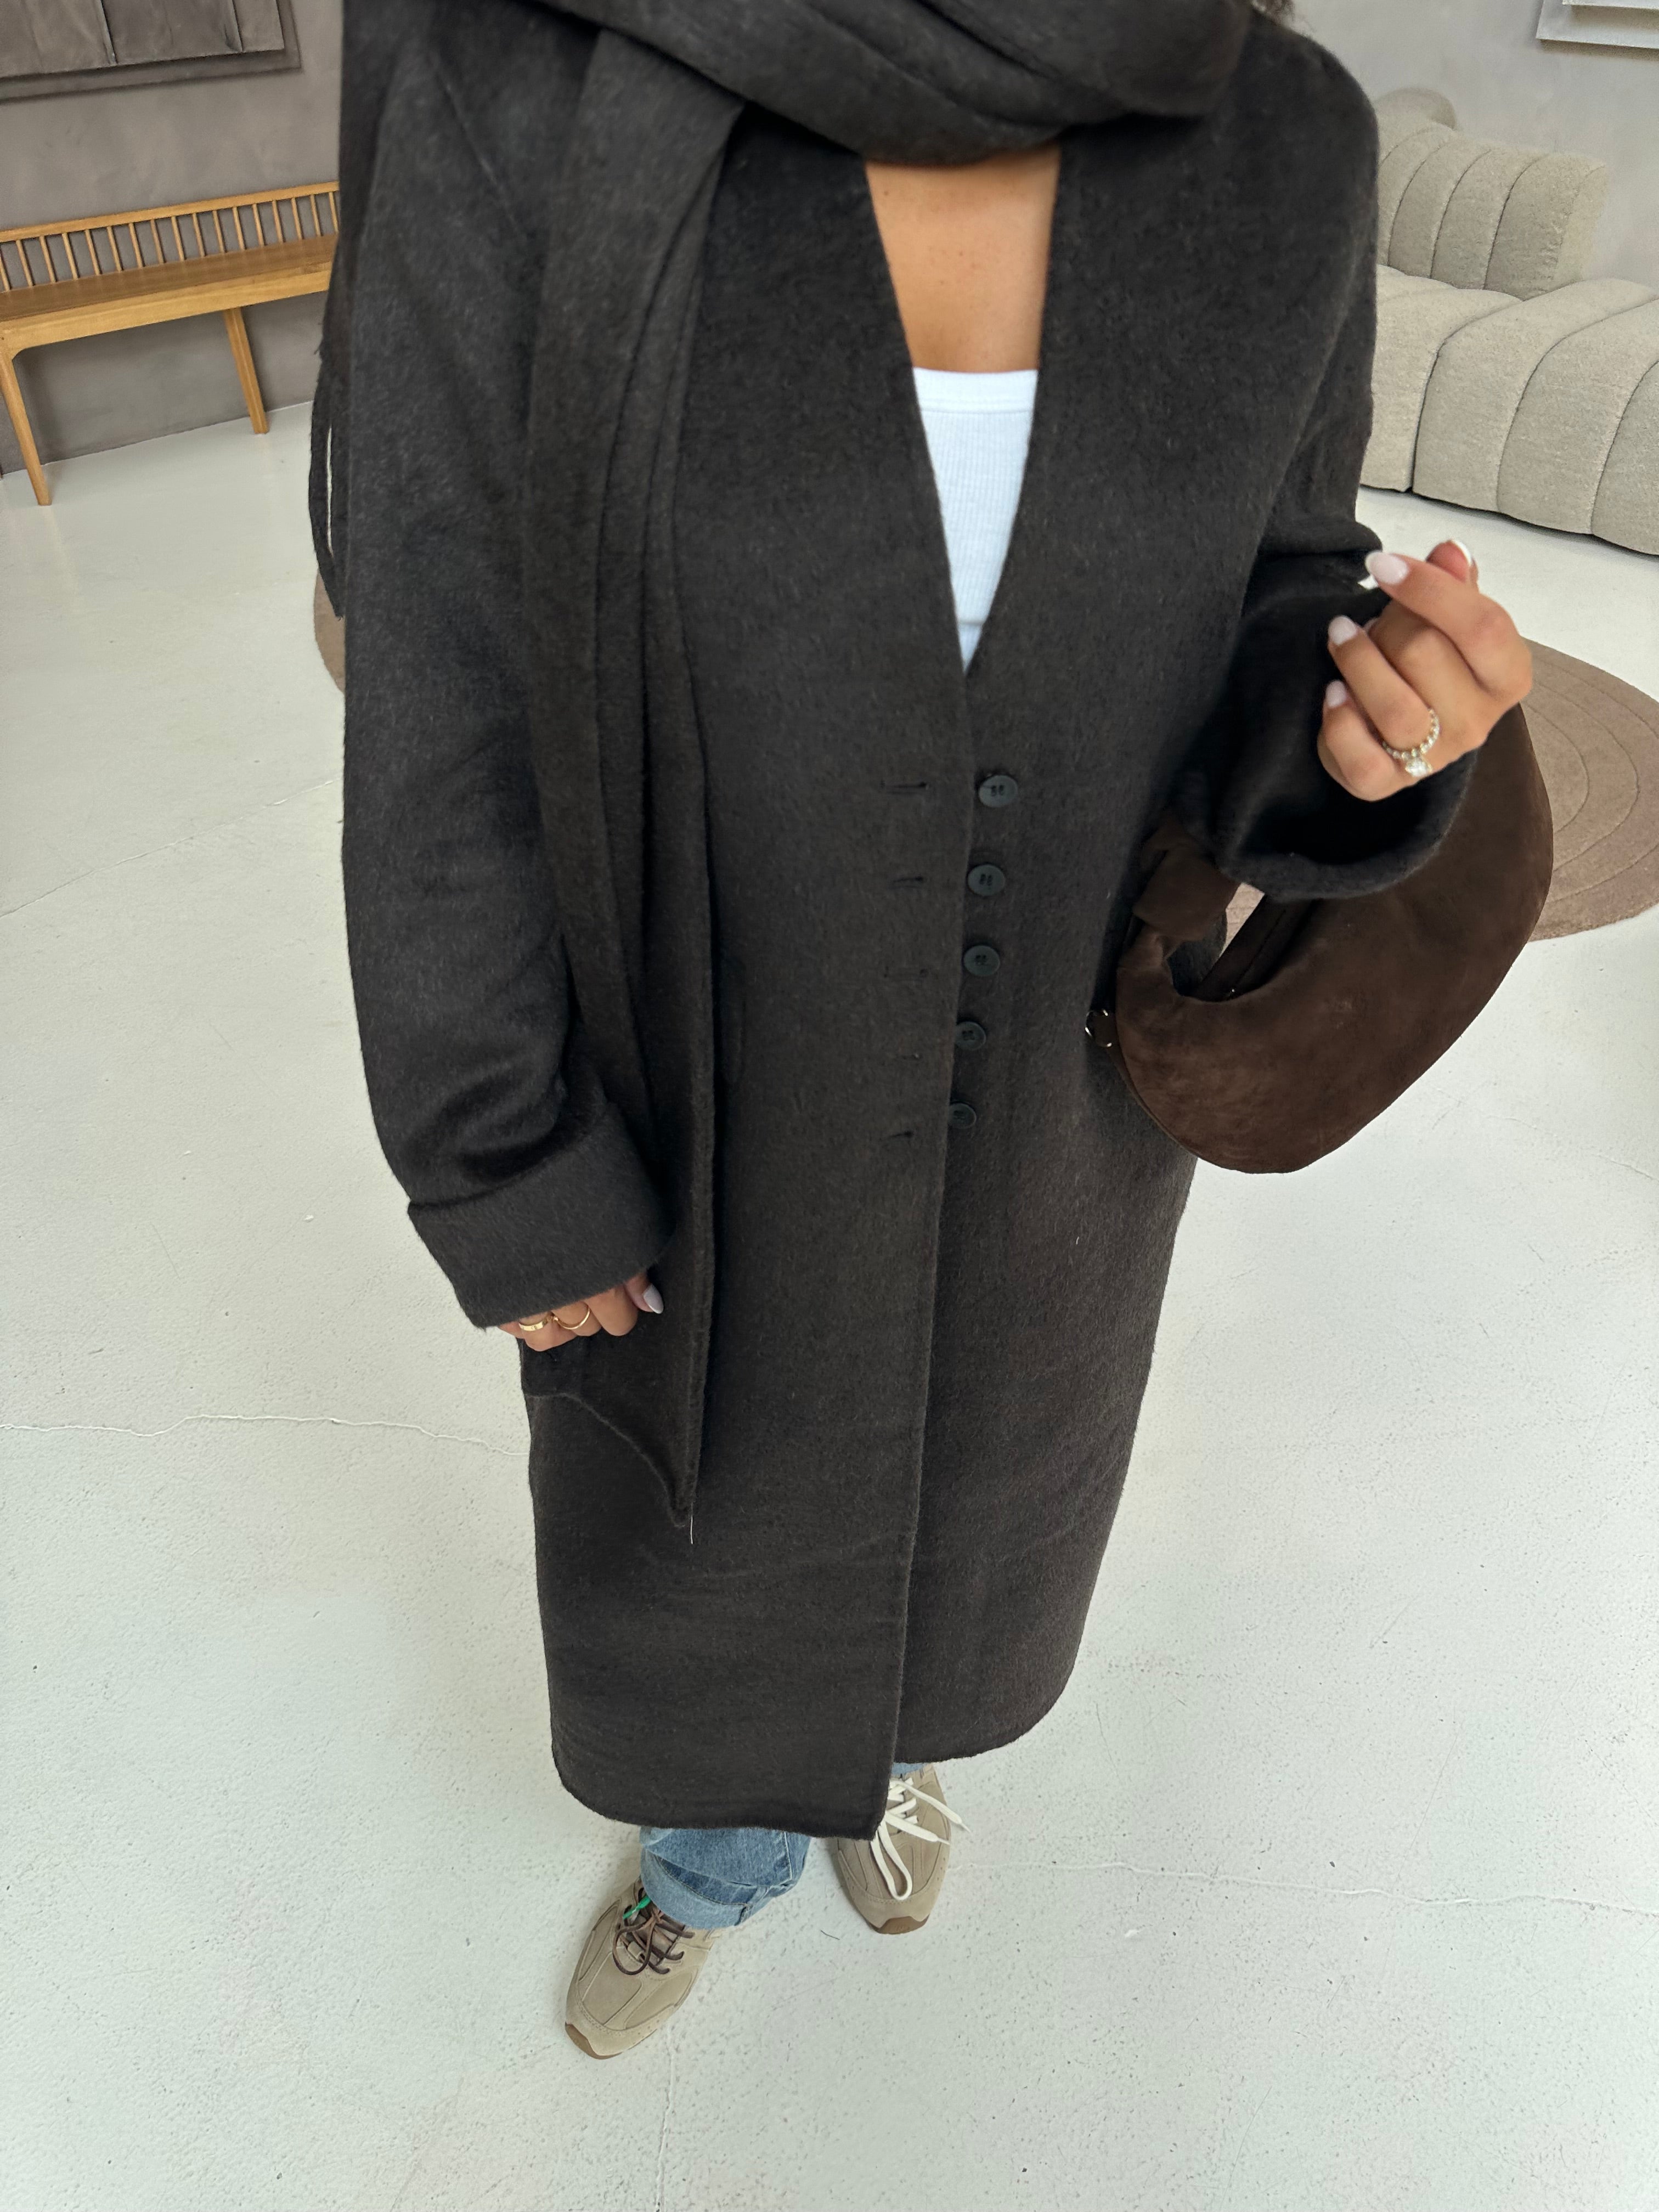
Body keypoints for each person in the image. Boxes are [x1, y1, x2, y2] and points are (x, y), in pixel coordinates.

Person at [312, 0, 1533, 2061]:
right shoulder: (525, 90)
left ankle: (886, 1764)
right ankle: (716, 1854)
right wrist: (500, 1149)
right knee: (712, 1542)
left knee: (982, 1502)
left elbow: (1274, 579)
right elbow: (447, 654)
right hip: (693, 1079)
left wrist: (1366, 718)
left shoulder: (1280, 139)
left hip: (1056, 1101)